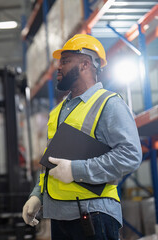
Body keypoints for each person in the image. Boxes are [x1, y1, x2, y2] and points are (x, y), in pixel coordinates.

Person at [22, 34, 142, 239]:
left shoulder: (109, 104)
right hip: (60, 218)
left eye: (66, 61)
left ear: (86, 64)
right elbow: (51, 161)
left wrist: (76, 170)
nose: (58, 67)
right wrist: (38, 195)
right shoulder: (58, 112)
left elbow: (130, 155)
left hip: (94, 215)